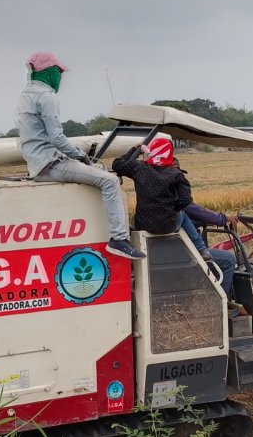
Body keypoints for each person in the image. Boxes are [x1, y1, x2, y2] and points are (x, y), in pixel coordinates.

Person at [15, 51, 144, 260]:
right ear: (50, 72)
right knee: (110, 181)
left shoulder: (25, 95)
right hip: (51, 163)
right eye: (59, 73)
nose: (60, 78)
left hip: (36, 162)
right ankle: (119, 239)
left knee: (98, 174)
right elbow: (57, 138)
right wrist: (81, 156)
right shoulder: (46, 96)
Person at [113, 137, 240, 305]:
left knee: (186, 219)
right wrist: (220, 218)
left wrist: (134, 151)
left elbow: (118, 164)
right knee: (229, 260)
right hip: (169, 235)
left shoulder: (140, 169)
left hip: (144, 225)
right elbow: (185, 204)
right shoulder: (176, 176)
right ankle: (220, 303)